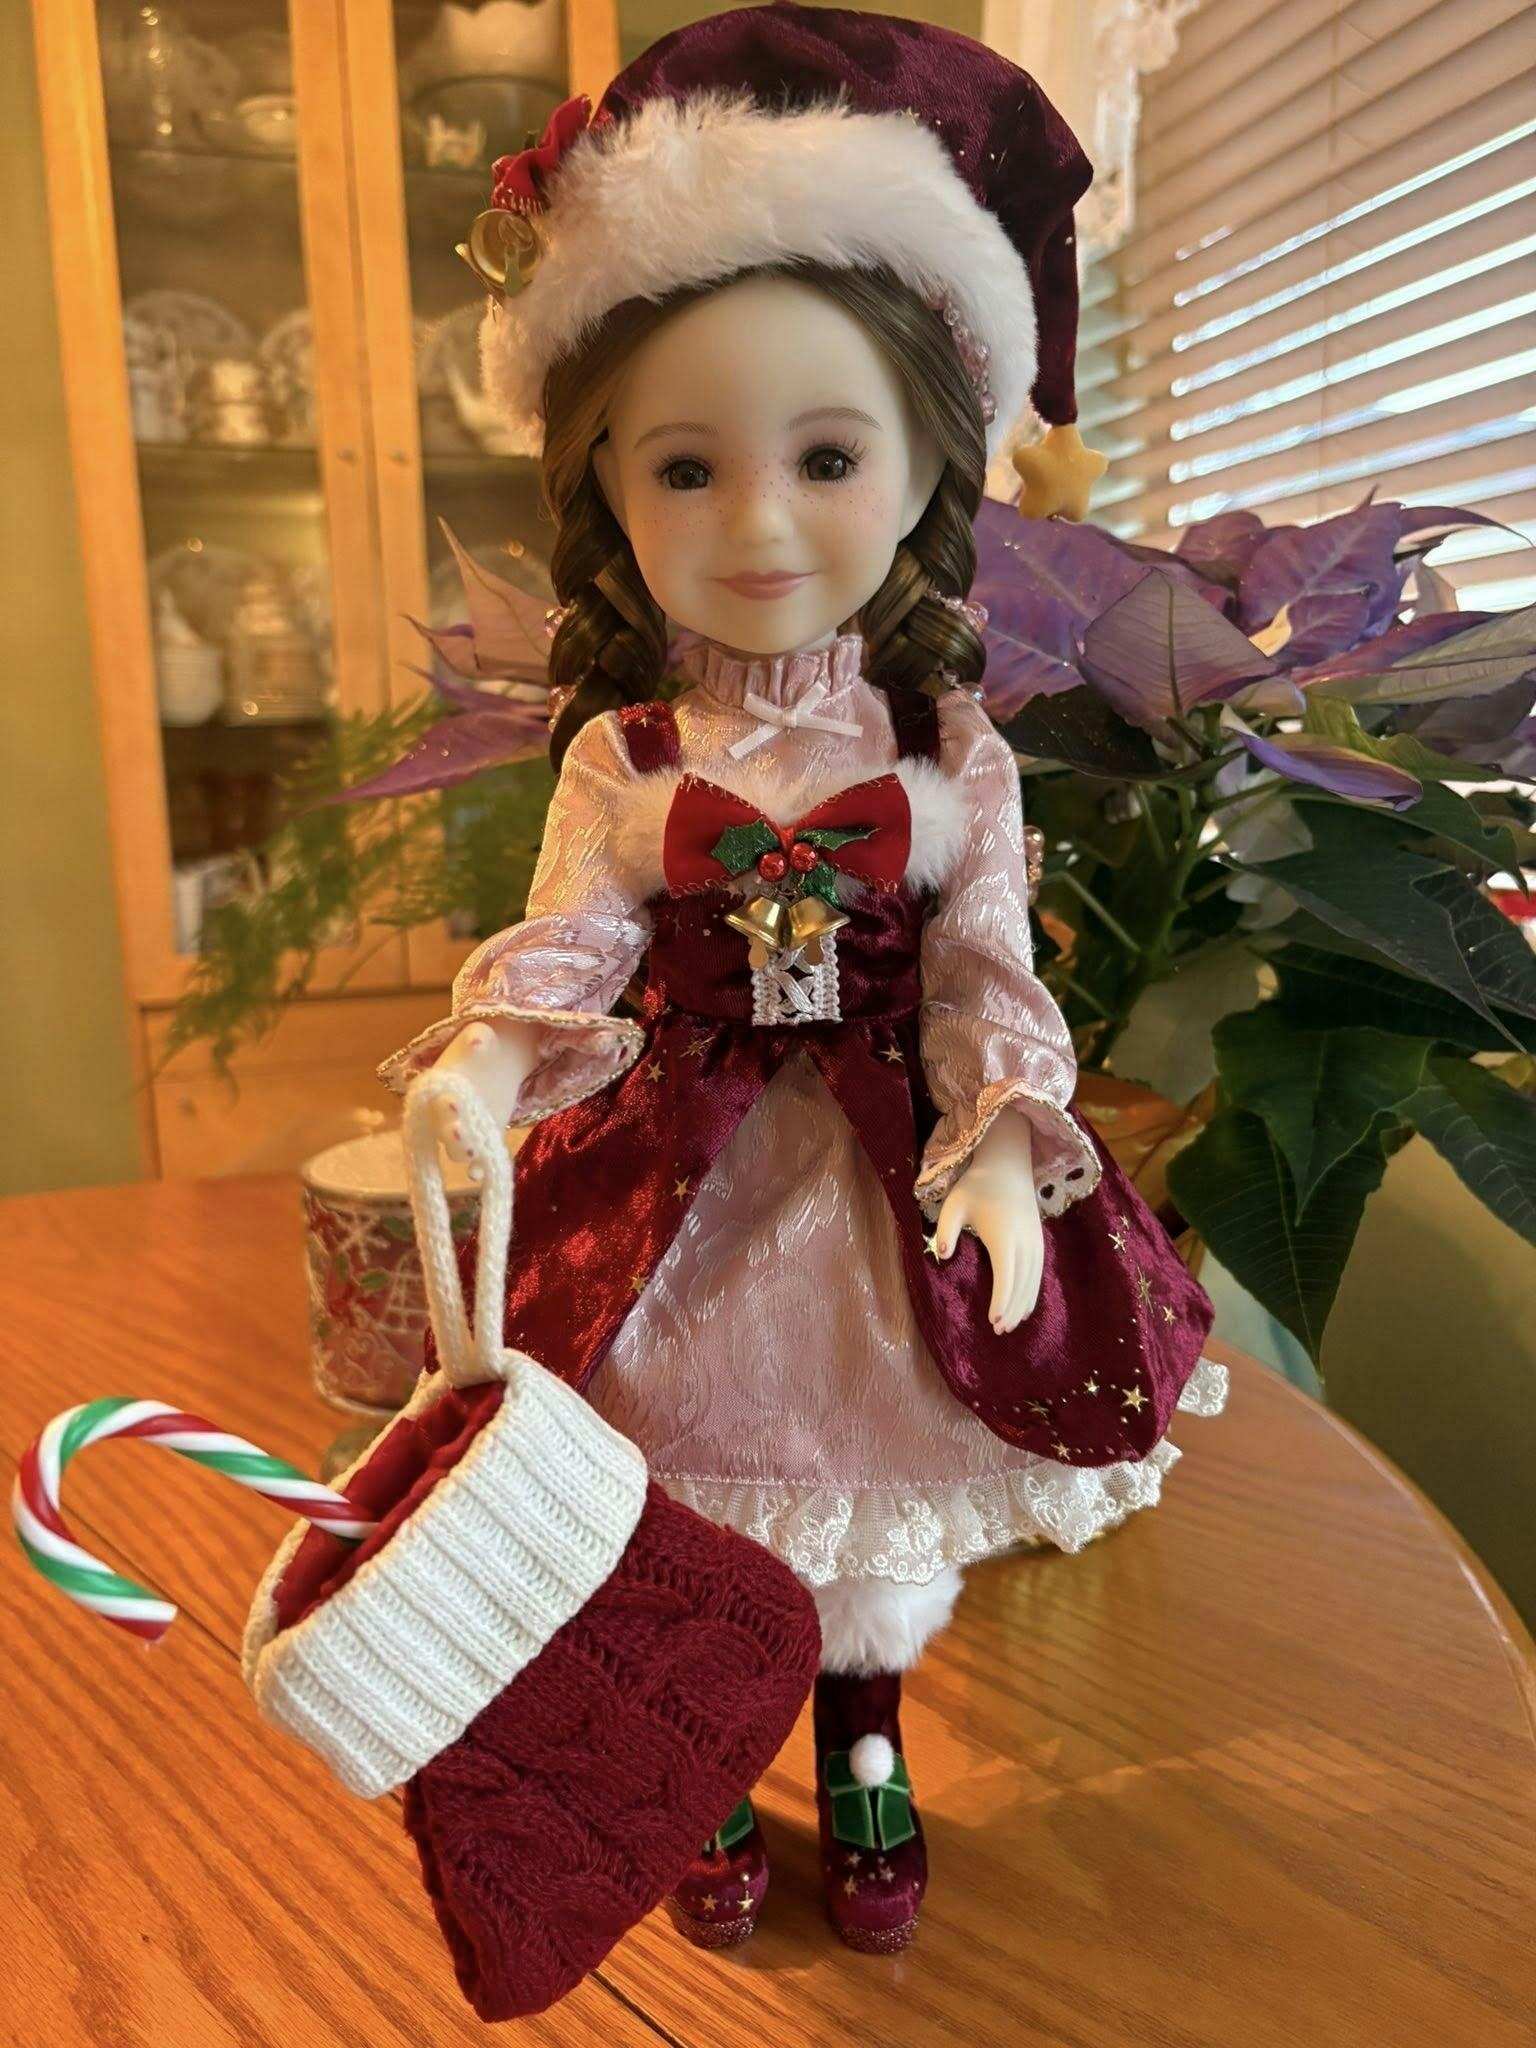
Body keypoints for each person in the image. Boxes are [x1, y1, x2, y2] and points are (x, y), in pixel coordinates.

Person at [380, 1, 1227, 1957]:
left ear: (927, 461)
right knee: (679, 1481)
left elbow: (987, 959)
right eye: (686, 466)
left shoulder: (948, 754)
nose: (758, 522)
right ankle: (706, 1753)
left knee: (866, 1484)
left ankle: (864, 1749)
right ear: (607, 483)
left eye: (825, 454)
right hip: (670, 1188)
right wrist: (486, 1065)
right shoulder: (625, 759)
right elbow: (571, 938)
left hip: (870, 1181)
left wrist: (1000, 1139)